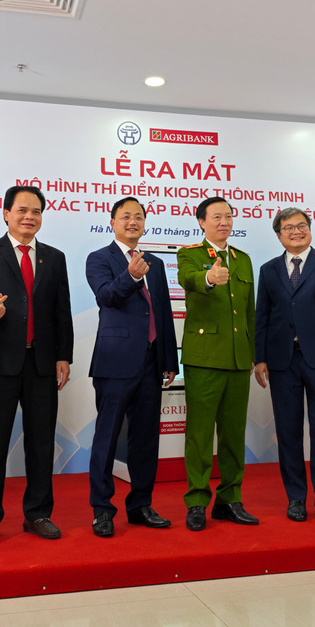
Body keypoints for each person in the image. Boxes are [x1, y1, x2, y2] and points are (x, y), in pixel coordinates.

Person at [0, 185, 73, 545]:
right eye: (22, 210)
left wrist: (63, 355)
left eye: (36, 211)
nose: (29, 217)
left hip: (41, 363)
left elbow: (61, 310)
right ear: (6, 213)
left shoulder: (54, 257)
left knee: (41, 443)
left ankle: (38, 513)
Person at [85, 197, 178, 537]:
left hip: (151, 362)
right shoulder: (99, 258)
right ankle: (102, 509)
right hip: (115, 362)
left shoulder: (156, 262)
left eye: (138, 216)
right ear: (112, 222)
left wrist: (169, 359)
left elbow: (163, 312)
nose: (133, 222)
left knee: (145, 439)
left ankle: (140, 505)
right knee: (107, 437)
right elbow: (106, 296)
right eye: (125, 216)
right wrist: (131, 276)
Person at [255, 207, 315, 521]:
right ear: (279, 235)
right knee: (288, 432)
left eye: (301, 226)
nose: (296, 231)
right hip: (283, 360)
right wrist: (260, 358)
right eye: (289, 228)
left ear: (309, 229)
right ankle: (296, 497)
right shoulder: (269, 269)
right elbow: (262, 315)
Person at [177, 196, 256, 531]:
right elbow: (188, 279)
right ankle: (197, 500)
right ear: (201, 222)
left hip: (238, 359)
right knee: (199, 433)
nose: (224, 222)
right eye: (216, 217)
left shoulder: (242, 259)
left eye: (228, 216)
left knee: (233, 434)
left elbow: (249, 312)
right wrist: (208, 278)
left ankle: (230, 499)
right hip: (204, 358)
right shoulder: (189, 254)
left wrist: (253, 355)